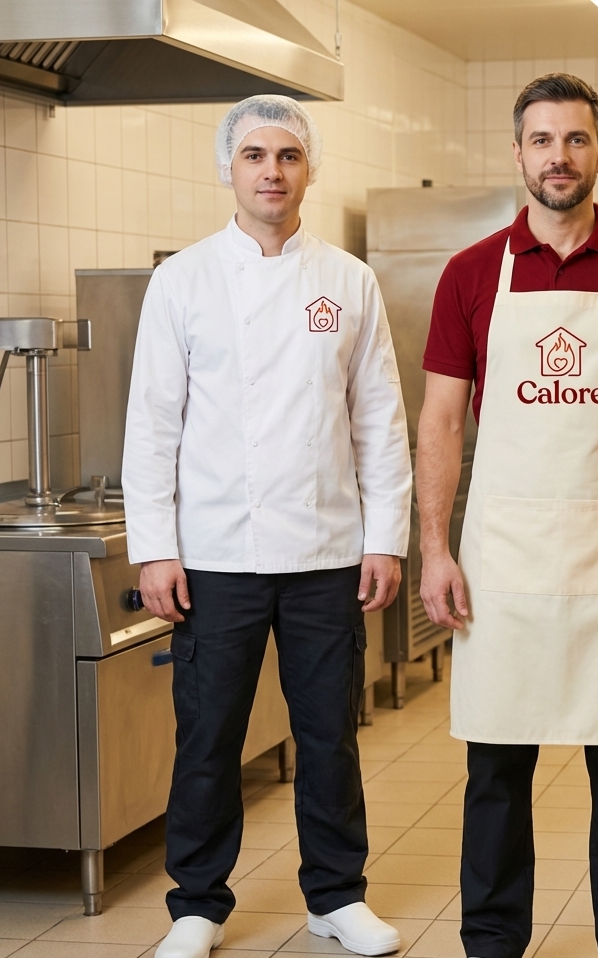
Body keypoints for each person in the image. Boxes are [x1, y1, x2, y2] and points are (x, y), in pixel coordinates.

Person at [416, 74, 598, 958]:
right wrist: (435, 546)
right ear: (518, 154)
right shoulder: (470, 273)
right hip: (503, 557)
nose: (558, 156)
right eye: (541, 141)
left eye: (575, 140)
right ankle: (492, 942)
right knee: (496, 770)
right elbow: (438, 418)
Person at [123, 95, 413, 958]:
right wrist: (156, 547)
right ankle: (197, 906)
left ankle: (336, 896)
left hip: (325, 550)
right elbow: (152, 424)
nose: (272, 172)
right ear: (229, 169)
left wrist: (385, 536)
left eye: (288, 155)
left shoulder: (349, 280)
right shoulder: (183, 279)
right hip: (213, 553)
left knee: (329, 735)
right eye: (255, 155)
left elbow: (379, 420)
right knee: (207, 739)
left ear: (309, 170)